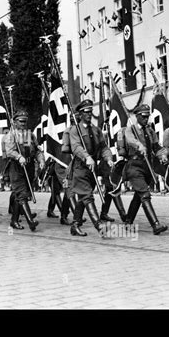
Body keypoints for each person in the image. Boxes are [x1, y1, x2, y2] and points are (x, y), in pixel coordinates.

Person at [68, 99, 114, 237]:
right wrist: (86, 156)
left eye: (90, 112)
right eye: (86, 112)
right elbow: (75, 146)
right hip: (80, 166)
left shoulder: (96, 130)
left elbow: (103, 146)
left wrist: (108, 157)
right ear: (80, 114)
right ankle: (99, 225)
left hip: (92, 168)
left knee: (83, 197)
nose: (89, 114)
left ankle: (75, 225)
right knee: (87, 196)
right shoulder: (75, 130)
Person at [123, 104, 169, 235]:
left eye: (147, 116)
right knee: (145, 195)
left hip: (148, 167)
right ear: (137, 116)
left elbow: (156, 147)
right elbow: (130, 140)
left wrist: (162, 155)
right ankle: (155, 225)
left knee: (139, 196)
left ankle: (128, 221)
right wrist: (139, 145)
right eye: (143, 116)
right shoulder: (130, 129)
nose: (146, 119)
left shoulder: (150, 131)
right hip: (134, 166)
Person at [4, 110, 45, 231]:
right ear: (15, 122)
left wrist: (41, 160)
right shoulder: (11, 135)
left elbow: (37, 150)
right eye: (21, 121)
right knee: (21, 194)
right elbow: (10, 150)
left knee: (22, 195)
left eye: (25, 121)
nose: (23, 124)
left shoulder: (30, 135)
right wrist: (18, 156)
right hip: (16, 167)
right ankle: (31, 222)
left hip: (29, 166)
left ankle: (14, 221)